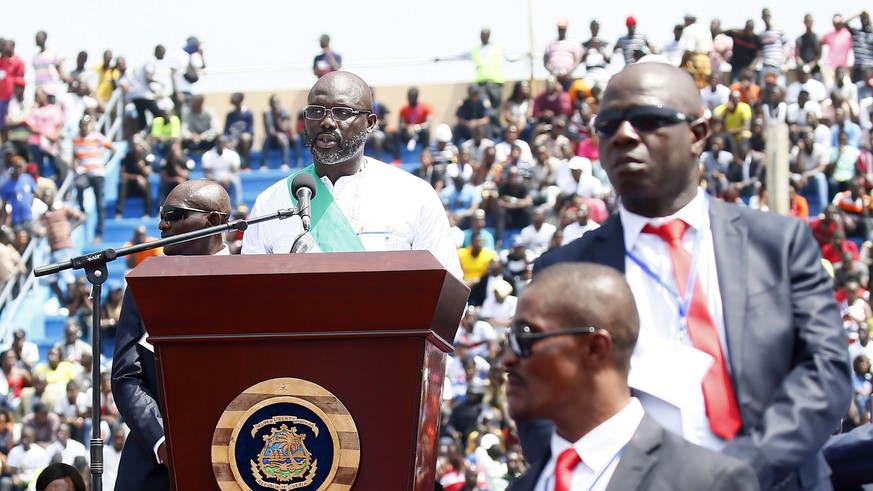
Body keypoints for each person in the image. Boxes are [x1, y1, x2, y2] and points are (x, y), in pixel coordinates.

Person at [531, 62, 851, 490]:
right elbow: (541, 409)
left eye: (648, 120)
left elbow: (825, 372)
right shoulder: (564, 273)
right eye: (608, 126)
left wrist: (740, 470)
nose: (624, 135)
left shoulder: (779, 244)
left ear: (698, 134)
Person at [504, 263, 759, 491]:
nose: (507, 359)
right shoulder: (523, 487)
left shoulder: (708, 482)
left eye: (524, 338)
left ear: (596, 348)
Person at [241, 71, 462, 277]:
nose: (327, 121)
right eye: (316, 111)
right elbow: (250, 296)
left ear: (370, 123)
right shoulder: (271, 202)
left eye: (342, 112)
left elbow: (446, 292)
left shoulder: (414, 196)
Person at [112, 179, 232, 491]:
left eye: (175, 215)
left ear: (213, 221)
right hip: (155, 464)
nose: (162, 224)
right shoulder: (145, 284)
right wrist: (162, 440)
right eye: (162, 214)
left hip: (235, 456)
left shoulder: (250, 280)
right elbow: (127, 377)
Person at [72, 116, 115, 244]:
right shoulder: (75, 139)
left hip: (97, 172)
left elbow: (112, 148)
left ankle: (99, 233)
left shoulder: (96, 136)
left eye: (86, 125)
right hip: (84, 172)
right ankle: (82, 210)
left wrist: (105, 163)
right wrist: (75, 167)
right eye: (82, 125)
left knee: (99, 204)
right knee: (79, 185)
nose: (84, 128)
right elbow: (74, 156)